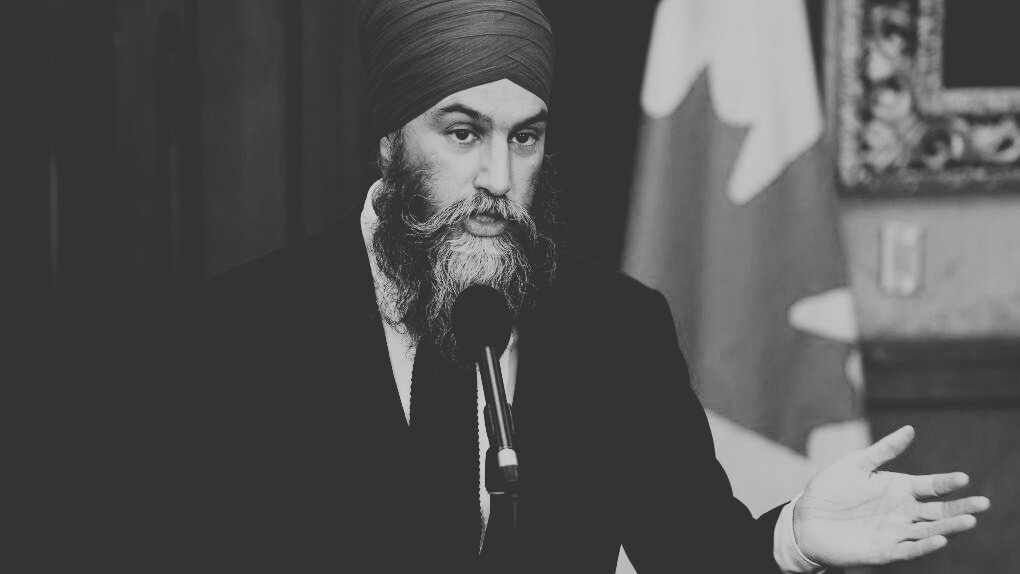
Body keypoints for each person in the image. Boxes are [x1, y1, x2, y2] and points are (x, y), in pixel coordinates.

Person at [167, 0, 989, 571]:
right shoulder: (243, 330)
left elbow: (697, 554)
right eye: (463, 133)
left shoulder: (616, 327)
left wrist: (793, 541)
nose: (499, 178)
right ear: (391, 141)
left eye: (524, 138)